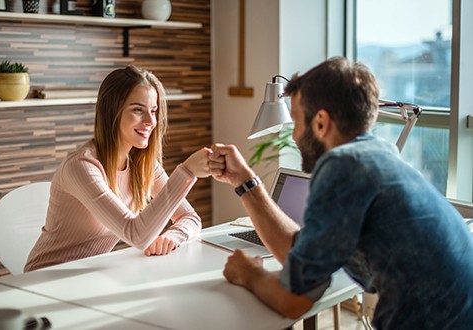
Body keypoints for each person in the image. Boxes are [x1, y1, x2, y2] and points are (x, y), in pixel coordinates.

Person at [208, 57, 473, 329]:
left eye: (297, 121)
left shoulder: (343, 165)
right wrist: (245, 181)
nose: (295, 134)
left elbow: (293, 300)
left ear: (321, 122)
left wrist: (249, 273)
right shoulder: (380, 155)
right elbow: (299, 253)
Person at [25, 65, 211, 272]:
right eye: (138, 110)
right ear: (112, 112)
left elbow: (190, 218)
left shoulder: (143, 165)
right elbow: (136, 235)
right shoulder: (81, 167)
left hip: (91, 274)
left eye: (154, 111)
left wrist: (171, 236)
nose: (151, 121)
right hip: (45, 278)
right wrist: (186, 172)